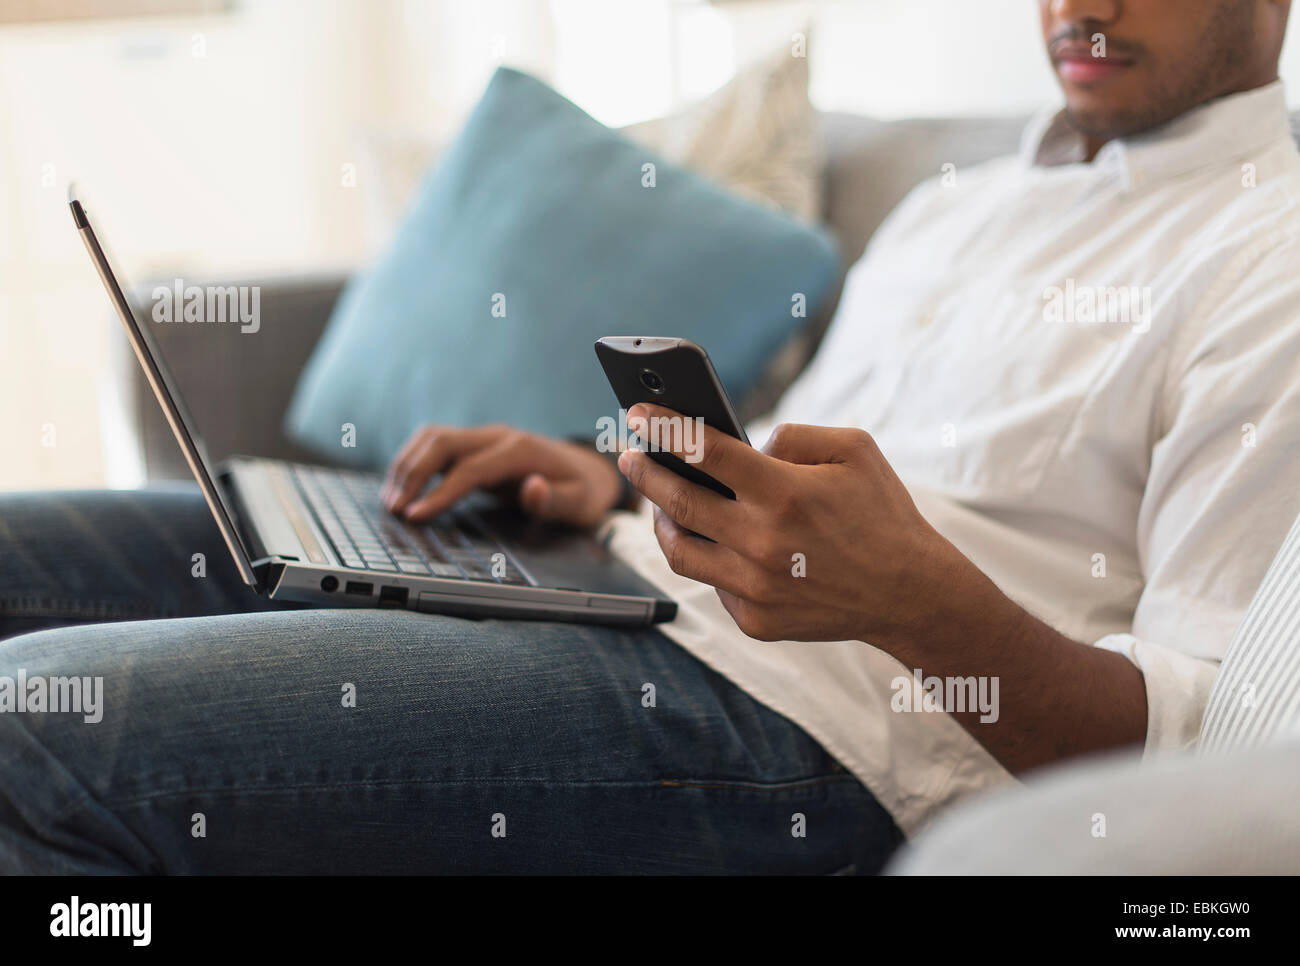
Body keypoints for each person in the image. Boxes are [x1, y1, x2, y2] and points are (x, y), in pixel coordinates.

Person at [3, 0, 1298, 873]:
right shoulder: (962, 209)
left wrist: (926, 608)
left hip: (800, 728)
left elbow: (1206, 754)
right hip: (631, 589)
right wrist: (604, 489)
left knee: (32, 734)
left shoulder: (1270, 253)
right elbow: (795, 466)